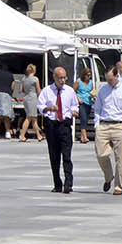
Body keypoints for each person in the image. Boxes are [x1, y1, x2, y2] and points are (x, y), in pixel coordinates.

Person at [95, 63, 122, 195]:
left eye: (111, 79)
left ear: (117, 75)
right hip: (104, 124)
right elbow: (98, 108)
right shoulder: (103, 89)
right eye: (107, 79)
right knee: (101, 154)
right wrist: (97, 125)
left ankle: (119, 185)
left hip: (120, 124)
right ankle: (108, 176)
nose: (109, 82)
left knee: (120, 157)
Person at [39, 66, 77, 194]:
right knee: (54, 156)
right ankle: (57, 183)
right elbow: (40, 106)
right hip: (52, 125)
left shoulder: (70, 91)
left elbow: (74, 105)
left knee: (67, 155)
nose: (62, 80)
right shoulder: (46, 91)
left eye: (64, 77)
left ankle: (68, 183)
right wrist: (49, 108)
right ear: (54, 77)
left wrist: (74, 111)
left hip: (64, 125)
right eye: (60, 78)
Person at [16, 64, 41, 141]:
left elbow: (21, 90)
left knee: (34, 118)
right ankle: (22, 135)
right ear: (34, 70)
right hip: (32, 98)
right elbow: (38, 90)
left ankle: (38, 135)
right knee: (29, 117)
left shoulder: (23, 79)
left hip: (26, 97)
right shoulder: (35, 79)